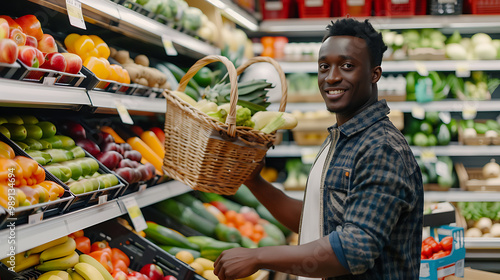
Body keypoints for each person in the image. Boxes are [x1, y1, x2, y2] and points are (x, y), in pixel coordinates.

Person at [214, 18, 424, 279]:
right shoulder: (342, 138)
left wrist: (259, 257)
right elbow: (320, 221)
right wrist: (255, 182)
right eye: (324, 67)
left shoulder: (382, 149)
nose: (332, 77)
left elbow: (354, 251)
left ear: (374, 74)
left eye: (347, 66)